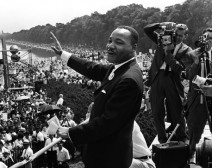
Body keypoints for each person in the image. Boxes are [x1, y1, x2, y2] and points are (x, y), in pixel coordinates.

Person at [51, 25, 144, 168]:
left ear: (133, 47)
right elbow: (91, 68)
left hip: (109, 158)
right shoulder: (118, 68)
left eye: (119, 42)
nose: (111, 46)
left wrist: (71, 132)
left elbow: (107, 123)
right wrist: (63, 54)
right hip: (103, 153)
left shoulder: (129, 79)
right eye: (110, 41)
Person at [144, 22, 193, 143]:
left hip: (173, 79)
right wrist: (160, 25)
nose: (178, 37)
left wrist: (168, 53)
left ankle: (182, 138)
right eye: (176, 34)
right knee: (157, 110)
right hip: (157, 77)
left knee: (177, 109)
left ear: (185, 36)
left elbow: (179, 68)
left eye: (181, 36)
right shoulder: (163, 40)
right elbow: (147, 30)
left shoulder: (187, 50)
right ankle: (162, 138)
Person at [185, 27, 212, 161]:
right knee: (194, 128)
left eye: (211, 38)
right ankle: (190, 155)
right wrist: (196, 62)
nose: (208, 41)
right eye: (206, 37)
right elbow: (188, 75)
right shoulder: (193, 54)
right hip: (197, 97)